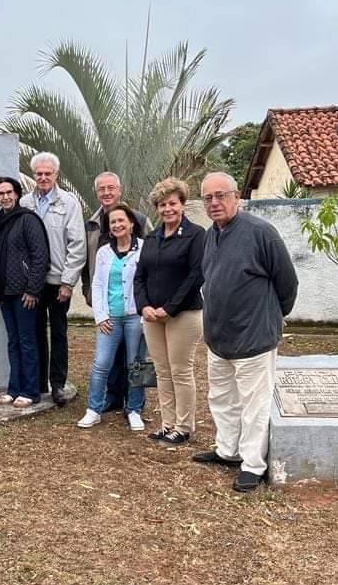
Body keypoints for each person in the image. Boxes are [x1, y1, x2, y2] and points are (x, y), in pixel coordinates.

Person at [193, 172, 298, 492]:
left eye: (221, 195)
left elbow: (287, 283)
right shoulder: (212, 235)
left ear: (237, 197)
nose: (214, 203)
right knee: (222, 399)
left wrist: (269, 316)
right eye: (208, 198)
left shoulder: (261, 232)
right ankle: (228, 450)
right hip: (219, 338)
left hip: (253, 338)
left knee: (254, 405)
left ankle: (252, 465)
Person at [134, 177, 205, 445]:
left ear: (182, 205)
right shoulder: (151, 237)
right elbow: (139, 276)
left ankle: (184, 426)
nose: (168, 209)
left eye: (172, 203)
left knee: (180, 371)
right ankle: (167, 423)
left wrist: (169, 308)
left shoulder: (196, 235)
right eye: (162, 205)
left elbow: (197, 275)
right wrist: (145, 307)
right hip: (152, 316)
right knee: (162, 371)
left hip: (183, 315)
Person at [81, 172, 152, 414]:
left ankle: (136, 407)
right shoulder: (91, 224)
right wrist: (88, 291)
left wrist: (147, 307)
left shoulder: (141, 223)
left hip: (136, 309)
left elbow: (152, 270)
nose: (106, 192)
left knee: (137, 361)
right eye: (101, 189)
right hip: (107, 306)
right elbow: (87, 263)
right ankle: (109, 399)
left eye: (111, 188)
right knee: (105, 360)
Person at [20, 152, 86, 405]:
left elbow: (77, 245)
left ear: (56, 175)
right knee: (35, 332)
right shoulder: (25, 203)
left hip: (58, 282)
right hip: (32, 284)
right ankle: (38, 383)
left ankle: (57, 384)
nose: (44, 177)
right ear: (33, 175)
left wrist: (68, 282)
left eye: (48, 173)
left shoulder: (68, 203)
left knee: (58, 332)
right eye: (39, 174)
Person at [0, 176, 50, 408]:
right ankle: (14, 389)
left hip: (25, 293)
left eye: (9, 192)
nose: (5, 196)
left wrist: (33, 290)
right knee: (13, 341)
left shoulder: (27, 220)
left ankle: (31, 390)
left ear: (16, 194)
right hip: (4, 292)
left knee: (27, 341)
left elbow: (40, 256)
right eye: (1, 193)